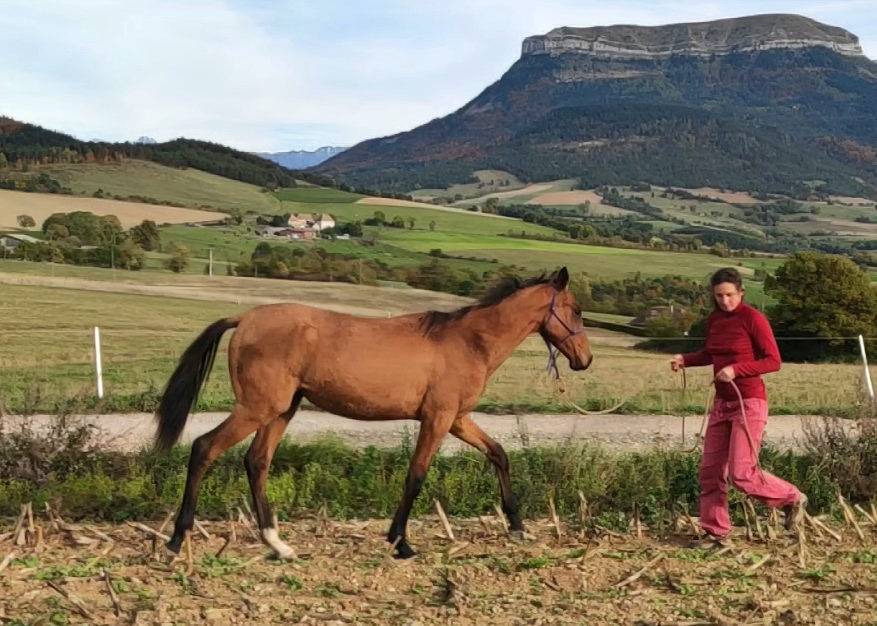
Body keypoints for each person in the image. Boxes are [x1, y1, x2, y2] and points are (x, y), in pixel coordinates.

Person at [670, 267, 806, 546]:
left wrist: (736, 370)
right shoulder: (715, 320)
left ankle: (792, 498)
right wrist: (685, 358)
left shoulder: (753, 319)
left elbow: (773, 361)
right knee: (710, 471)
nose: (725, 301)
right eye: (719, 296)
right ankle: (716, 532)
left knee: (742, 474)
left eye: (730, 295)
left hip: (750, 402)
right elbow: (710, 354)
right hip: (722, 402)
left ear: (741, 292)